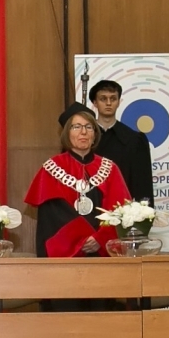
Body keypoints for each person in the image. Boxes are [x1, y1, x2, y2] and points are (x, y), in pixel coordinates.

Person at [25, 103, 134, 258]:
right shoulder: (51, 169)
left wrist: (100, 239)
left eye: (89, 127)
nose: (83, 132)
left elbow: (120, 210)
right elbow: (52, 216)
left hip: (102, 253)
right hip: (65, 256)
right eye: (76, 127)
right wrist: (80, 238)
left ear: (95, 134)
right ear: (67, 133)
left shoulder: (110, 169)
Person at [89, 79, 155, 206]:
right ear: (95, 103)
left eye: (113, 99)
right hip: (91, 206)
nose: (108, 103)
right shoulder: (85, 138)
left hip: (124, 208)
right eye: (103, 99)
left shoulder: (134, 140)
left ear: (119, 102)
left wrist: (144, 212)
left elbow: (143, 183)